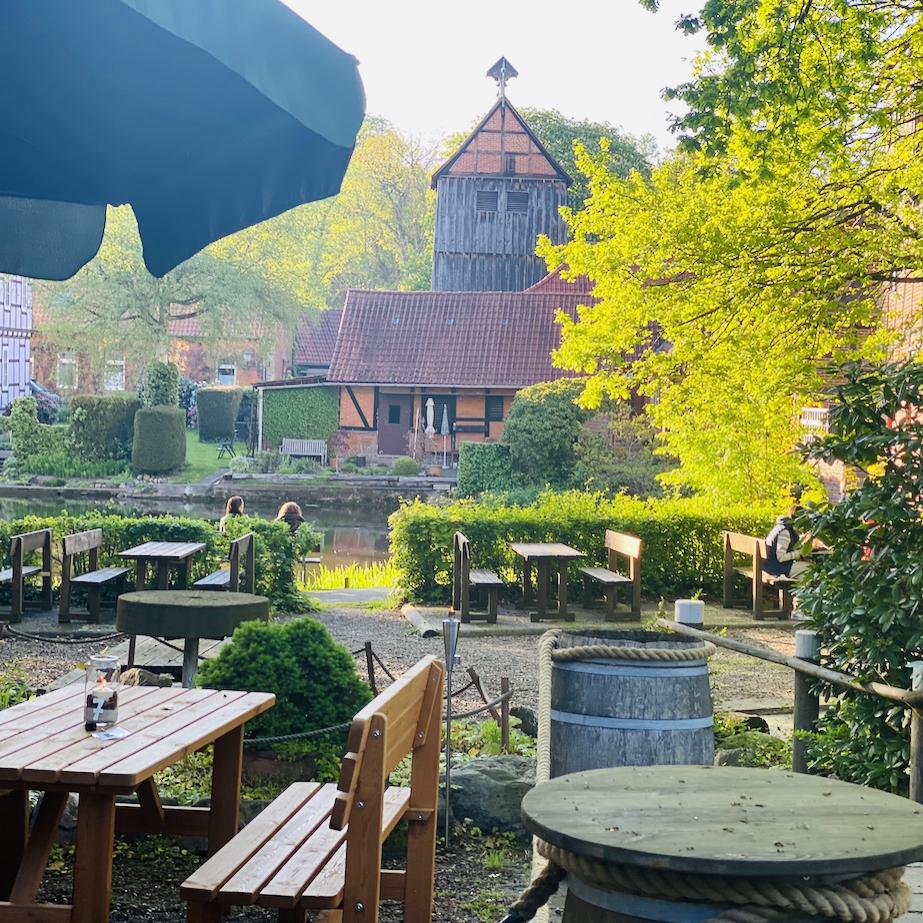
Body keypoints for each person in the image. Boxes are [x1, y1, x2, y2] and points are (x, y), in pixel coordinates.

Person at [763, 505, 809, 580]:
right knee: (812, 568)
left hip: (771, 566)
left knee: (803, 577)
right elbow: (781, 557)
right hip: (777, 569)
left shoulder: (781, 526)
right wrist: (799, 553)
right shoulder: (785, 532)